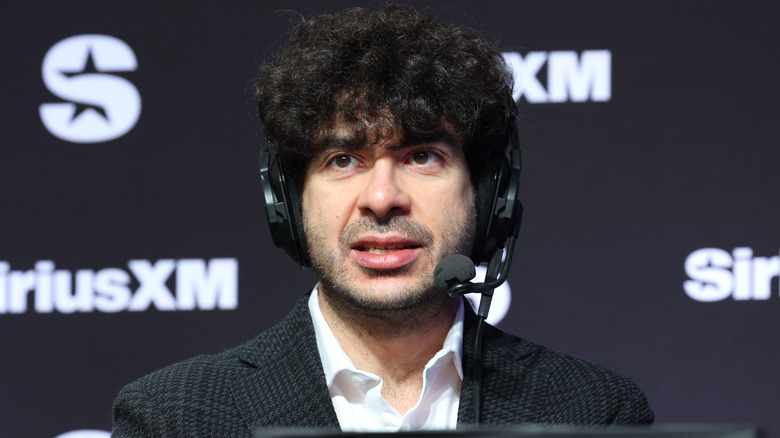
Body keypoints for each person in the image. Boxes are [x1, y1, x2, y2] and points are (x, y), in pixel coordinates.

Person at [112, 4, 653, 437]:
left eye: (422, 157)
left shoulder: (595, 412)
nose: (382, 197)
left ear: (488, 195)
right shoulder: (174, 418)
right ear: (287, 201)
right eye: (342, 160)